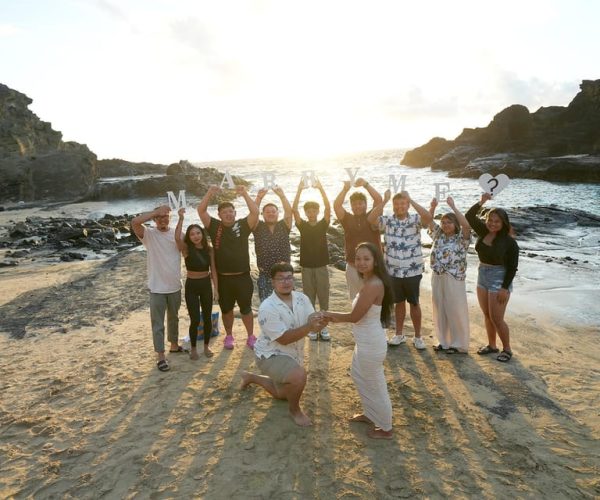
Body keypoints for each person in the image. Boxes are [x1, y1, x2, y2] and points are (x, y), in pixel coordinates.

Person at [240, 262, 327, 427]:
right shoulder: (267, 307)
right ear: (272, 282)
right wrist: (310, 326)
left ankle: (250, 377)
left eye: (289, 278)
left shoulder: (302, 298)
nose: (286, 282)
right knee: (298, 377)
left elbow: (313, 325)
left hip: (293, 354)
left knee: (282, 393)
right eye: (280, 279)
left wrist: (321, 322)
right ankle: (295, 411)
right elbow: (284, 339)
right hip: (270, 355)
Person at [323, 242, 394, 439]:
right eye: (358, 258)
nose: (361, 263)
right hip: (365, 341)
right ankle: (371, 414)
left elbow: (354, 317)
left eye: (366, 259)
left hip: (371, 343)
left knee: (375, 383)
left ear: (375, 261)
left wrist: (327, 314)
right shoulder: (369, 281)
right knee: (358, 375)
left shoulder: (373, 285)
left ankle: (386, 428)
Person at [367, 190, 433, 349]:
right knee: (399, 303)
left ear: (408, 205)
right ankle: (399, 334)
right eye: (396, 204)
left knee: (414, 303)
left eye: (403, 203)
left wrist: (411, 198)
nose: (399, 207)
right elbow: (370, 219)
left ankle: (418, 337)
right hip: (393, 271)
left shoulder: (416, 219)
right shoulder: (388, 220)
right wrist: (384, 201)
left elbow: (428, 218)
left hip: (412, 270)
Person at [197, 185, 259, 350]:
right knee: (227, 310)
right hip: (224, 278)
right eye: (224, 212)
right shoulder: (214, 226)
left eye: (231, 211)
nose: (228, 214)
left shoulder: (243, 226)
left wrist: (245, 193)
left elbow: (255, 213)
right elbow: (201, 211)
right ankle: (229, 336)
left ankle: (251, 336)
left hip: (243, 276)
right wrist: (209, 193)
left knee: (246, 309)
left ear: (235, 213)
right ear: (219, 215)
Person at [465, 192, 519, 362]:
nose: (492, 224)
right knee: (487, 315)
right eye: (490, 220)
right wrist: (482, 201)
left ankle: (507, 349)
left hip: (499, 278)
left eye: (497, 221)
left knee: (497, 318)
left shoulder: (509, 242)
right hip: (482, 275)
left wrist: (504, 288)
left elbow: (512, 267)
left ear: (503, 223)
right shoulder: (483, 231)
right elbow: (469, 216)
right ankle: (492, 345)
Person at [131, 205, 182, 372]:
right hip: (157, 288)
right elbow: (135, 222)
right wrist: (156, 211)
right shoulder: (149, 235)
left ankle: (174, 345)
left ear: (170, 217)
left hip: (175, 285)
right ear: (154, 219)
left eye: (165, 216)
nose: (163, 219)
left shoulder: (177, 233)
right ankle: (161, 356)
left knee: (174, 318)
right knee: (158, 324)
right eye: (159, 217)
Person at [427, 197, 472, 354]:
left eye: (449, 222)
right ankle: (443, 341)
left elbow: (466, 225)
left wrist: (453, 206)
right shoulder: (438, 236)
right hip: (437, 276)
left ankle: (457, 343)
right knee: (439, 308)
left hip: (454, 277)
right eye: (443, 222)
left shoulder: (461, 239)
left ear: (455, 225)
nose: (446, 225)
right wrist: (432, 207)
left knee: (455, 309)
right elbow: (428, 220)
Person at [175, 208, 218, 359]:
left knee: (207, 318)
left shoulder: (209, 249)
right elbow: (177, 238)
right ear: (189, 236)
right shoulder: (186, 249)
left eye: (198, 233)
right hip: (191, 286)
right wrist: (180, 218)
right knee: (195, 319)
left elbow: (213, 270)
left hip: (206, 285)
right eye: (192, 234)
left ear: (202, 234)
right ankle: (193, 348)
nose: (196, 236)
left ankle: (206, 347)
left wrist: (216, 290)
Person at [292, 179, 331, 341]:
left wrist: (321, 188)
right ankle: (313, 328)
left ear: (318, 211)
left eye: (315, 210)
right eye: (309, 210)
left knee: (323, 298)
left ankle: (323, 327)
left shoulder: (323, 224)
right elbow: (294, 209)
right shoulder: (302, 225)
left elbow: (328, 208)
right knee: (309, 299)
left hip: (321, 266)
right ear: (306, 212)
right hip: (306, 267)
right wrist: (299, 189)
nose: (312, 212)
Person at [334, 177, 383, 300]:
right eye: (354, 204)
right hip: (352, 267)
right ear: (351, 206)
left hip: (373, 267)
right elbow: (337, 205)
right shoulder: (347, 219)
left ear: (366, 204)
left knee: (375, 301)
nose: (357, 206)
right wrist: (345, 189)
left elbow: (378, 199)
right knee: (356, 301)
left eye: (360, 203)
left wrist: (366, 184)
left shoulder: (372, 217)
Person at [253, 186, 293, 302]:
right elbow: (253, 213)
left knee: (287, 306)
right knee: (267, 307)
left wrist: (282, 196)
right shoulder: (257, 227)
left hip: (284, 275)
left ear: (277, 213)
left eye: (273, 211)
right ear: (262, 214)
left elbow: (289, 212)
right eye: (267, 212)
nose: (270, 214)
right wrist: (259, 198)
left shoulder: (284, 226)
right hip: (265, 275)